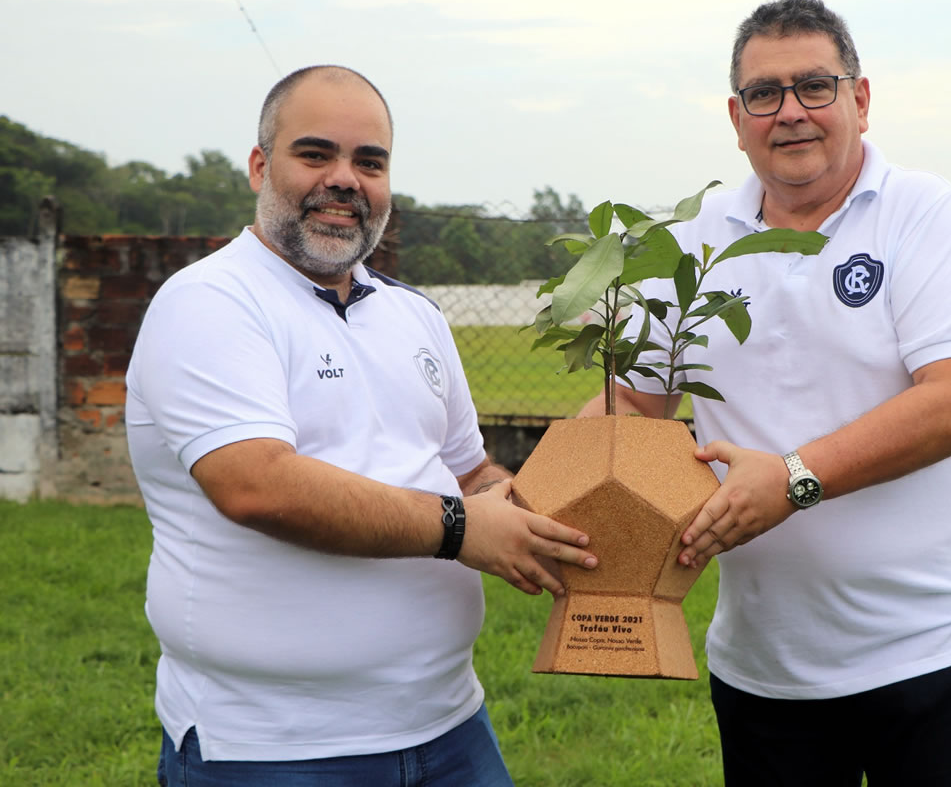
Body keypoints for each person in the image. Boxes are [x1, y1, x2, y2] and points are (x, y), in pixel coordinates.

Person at [579, 0, 951, 786]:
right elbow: (635, 405)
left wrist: (793, 478)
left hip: (929, 650)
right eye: (764, 94)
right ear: (736, 117)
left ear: (861, 99)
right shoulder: (693, 237)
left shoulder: (925, 216)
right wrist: (550, 489)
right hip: (763, 666)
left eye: (815, 86)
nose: (791, 113)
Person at [125, 65, 598, 786]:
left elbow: (472, 475)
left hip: (451, 728)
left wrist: (576, 529)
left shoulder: (414, 314)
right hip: (271, 749)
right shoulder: (211, 302)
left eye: (369, 162)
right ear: (260, 166)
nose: (345, 179)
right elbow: (257, 485)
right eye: (316, 154)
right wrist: (464, 528)